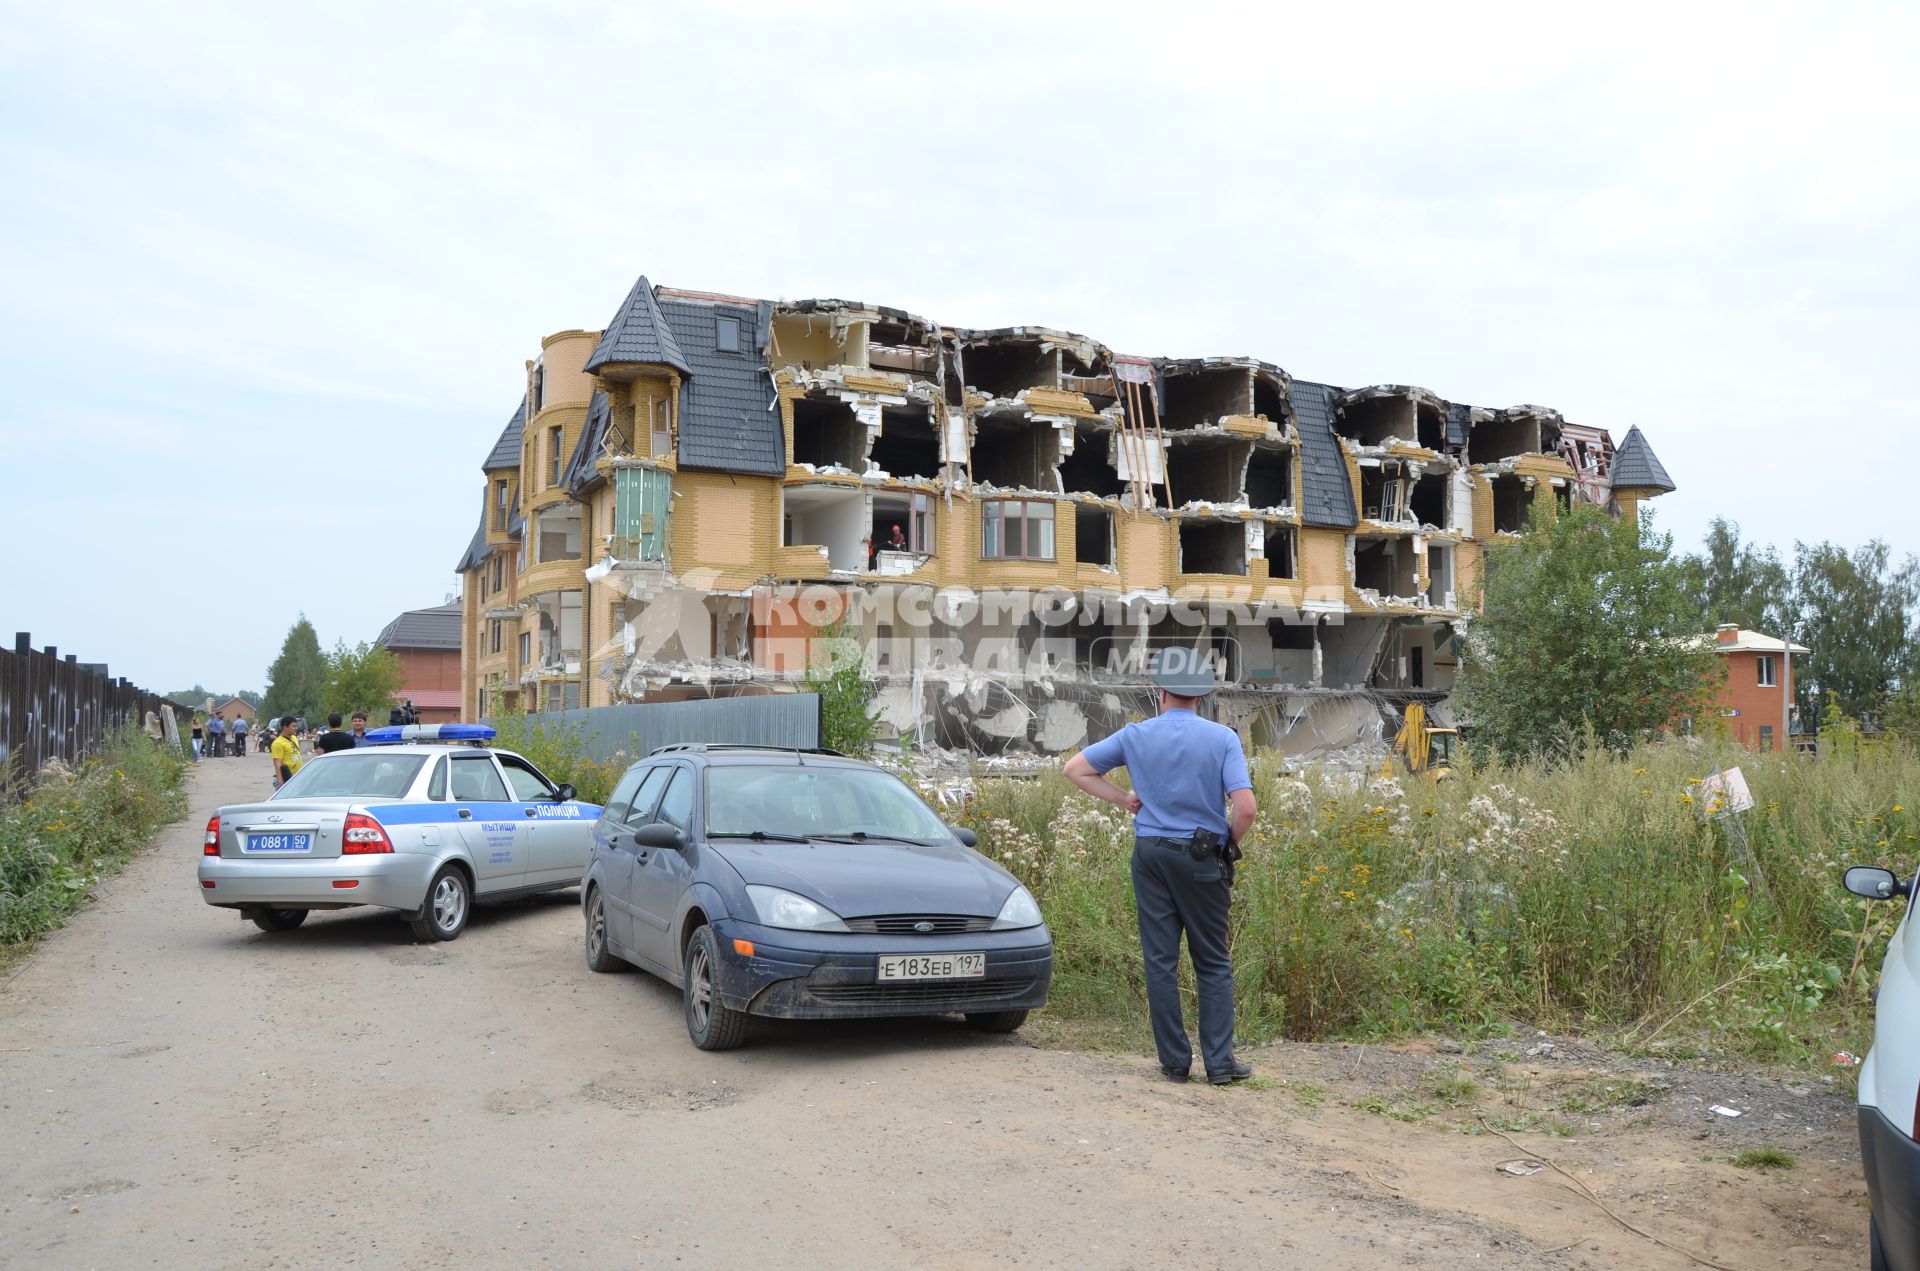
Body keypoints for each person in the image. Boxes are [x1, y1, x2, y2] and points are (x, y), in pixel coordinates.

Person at [1063, 646, 1258, 1086]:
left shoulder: (1135, 735)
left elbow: (1075, 769)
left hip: (1150, 852)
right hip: (1201, 854)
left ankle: (1174, 1062)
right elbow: (1245, 807)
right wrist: (1228, 844)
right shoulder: (1222, 738)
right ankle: (1220, 1064)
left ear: (1160, 694)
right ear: (1201, 697)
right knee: (1212, 960)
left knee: (1160, 960)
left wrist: (1125, 799)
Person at [270, 716, 304, 790]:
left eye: (296, 726)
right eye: (294, 726)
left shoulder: (294, 738)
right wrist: (281, 784)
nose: (296, 728)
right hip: (285, 779)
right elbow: (277, 764)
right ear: (285, 727)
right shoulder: (278, 743)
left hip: (295, 778)